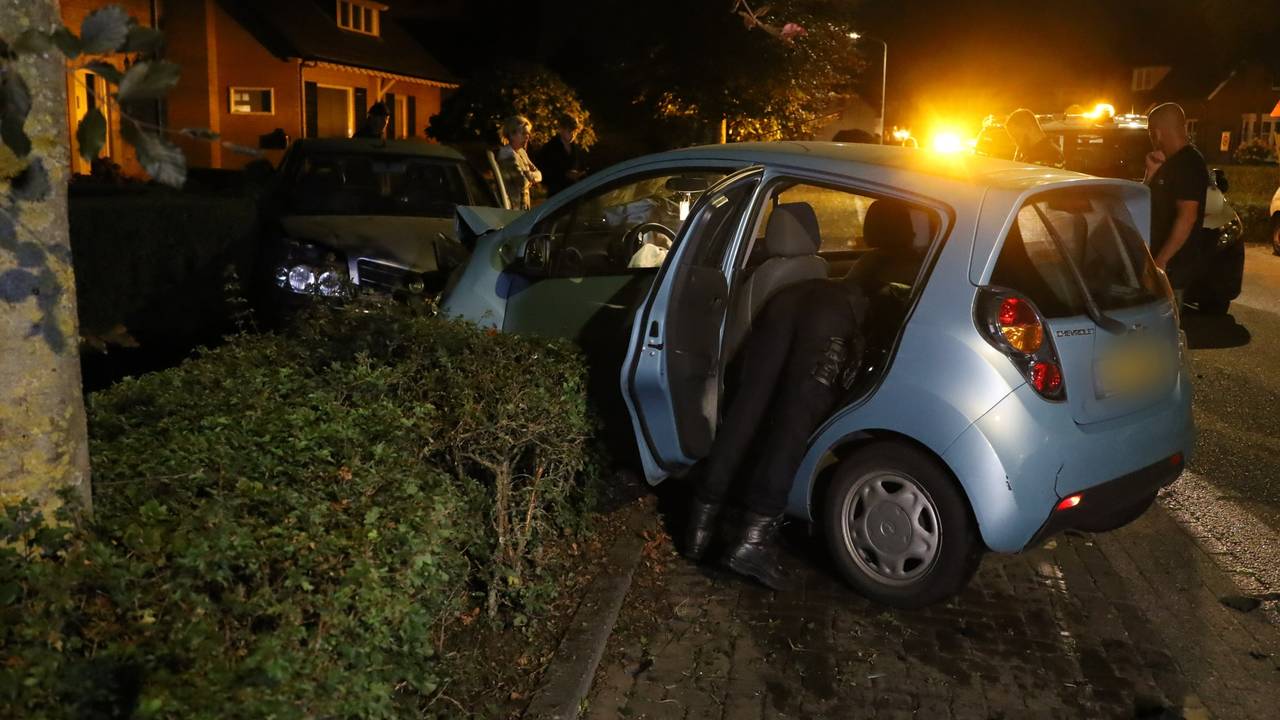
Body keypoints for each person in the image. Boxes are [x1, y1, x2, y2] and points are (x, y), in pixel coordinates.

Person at [1144, 102, 1207, 308]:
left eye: (1151, 133)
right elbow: (1144, 202)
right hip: (1163, 265)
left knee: (1166, 328)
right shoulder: (1171, 163)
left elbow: (1187, 216)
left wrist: (1161, 261)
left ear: (1158, 133)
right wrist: (1151, 174)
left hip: (1171, 268)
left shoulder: (1188, 163)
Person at [497, 115, 542, 210]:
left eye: (528, 133)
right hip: (512, 209)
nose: (527, 136)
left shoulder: (522, 152)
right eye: (524, 133)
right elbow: (522, 182)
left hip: (524, 208)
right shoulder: (506, 154)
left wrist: (528, 174)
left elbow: (539, 175)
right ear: (512, 135)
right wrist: (530, 177)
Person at [535, 114, 585, 196]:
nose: (573, 135)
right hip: (557, 194)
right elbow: (543, 172)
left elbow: (581, 166)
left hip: (575, 192)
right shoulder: (550, 148)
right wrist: (564, 175)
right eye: (569, 131)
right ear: (561, 129)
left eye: (575, 132)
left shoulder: (575, 147)